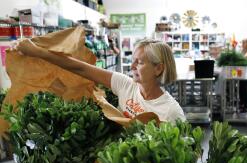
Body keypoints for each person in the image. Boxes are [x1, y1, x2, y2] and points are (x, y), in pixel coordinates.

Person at [12, 38, 186, 124]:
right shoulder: (126, 85)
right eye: (132, 60)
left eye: (139, 62)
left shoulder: (171, 112)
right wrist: (37, 52)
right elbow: (80, 68)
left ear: (158, 68)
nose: (132, 66)